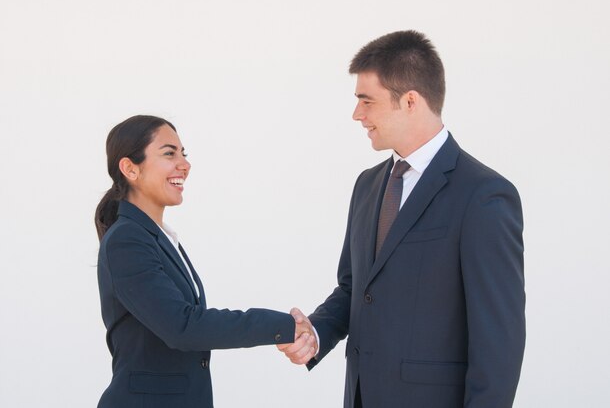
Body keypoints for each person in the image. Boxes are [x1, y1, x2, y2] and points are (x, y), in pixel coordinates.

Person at [277, 30, 525, 408]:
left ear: (410, 101)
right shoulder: (368, 184)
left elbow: (499, 339)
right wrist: (316, 332)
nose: (357, 114)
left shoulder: (483, 195)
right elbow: (355, 289)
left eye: (366, 101)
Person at [94, 115, 314, 408]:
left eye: (184, 154)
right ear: (130, 169)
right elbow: (183, 327)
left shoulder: (158, 238)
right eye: (169, 153)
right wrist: (281, 325)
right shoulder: (128, 240)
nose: (184, 164)